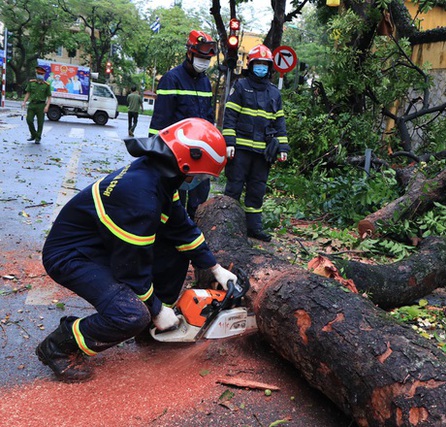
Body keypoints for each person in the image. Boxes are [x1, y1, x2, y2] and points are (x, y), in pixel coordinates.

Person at [36, 118, 237, 383]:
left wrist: (214, 267)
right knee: (130, 314)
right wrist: (154, 308)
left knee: (177, 249)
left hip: (105, 246)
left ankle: (153, 327)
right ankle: (59, 345)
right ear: (185, 165)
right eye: (199, 176)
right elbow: (131, 268)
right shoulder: (139, 196)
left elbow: (183, 230)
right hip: (72, 255)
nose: (198, 181)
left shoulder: (161, 179)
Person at [222, 44, 290, 242]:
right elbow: (230, 116)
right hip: (241, 150)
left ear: (270, 68)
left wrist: (283, 147)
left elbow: (280, 122)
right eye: (257, 64)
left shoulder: (274, 93)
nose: (261, 68)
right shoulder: (241, 86)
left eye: (264, 64)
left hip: (263, 154)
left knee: (257, 190)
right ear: (251, 66)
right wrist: (229, 143)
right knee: (234, 188)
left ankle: (254, 228)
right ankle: (228, 227)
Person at [149, 29, 217, 220]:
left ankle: (193, 237)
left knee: (199, 199)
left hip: (200, 152)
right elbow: (161, 119)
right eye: (199, 57)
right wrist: (155, 152)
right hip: (176, 152)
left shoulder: (205, 82)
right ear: (189, 53)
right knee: (173, 200)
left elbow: (208, 116)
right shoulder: (172, 79)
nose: (203, 62)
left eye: (207, 59)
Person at [22, 66, 52, 144]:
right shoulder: (31, 83)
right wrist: (24, 102)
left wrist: (47, 106)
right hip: (32, 105)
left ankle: (38, 138)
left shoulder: (46, 85)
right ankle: (33, 134)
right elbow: (28, 93)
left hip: (41, 105)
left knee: (40, 122)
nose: (40, 75)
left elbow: (49, 97)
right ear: (36, 73)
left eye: (41, 74)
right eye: (38, 73)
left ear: (44, 75)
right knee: (29, 120)